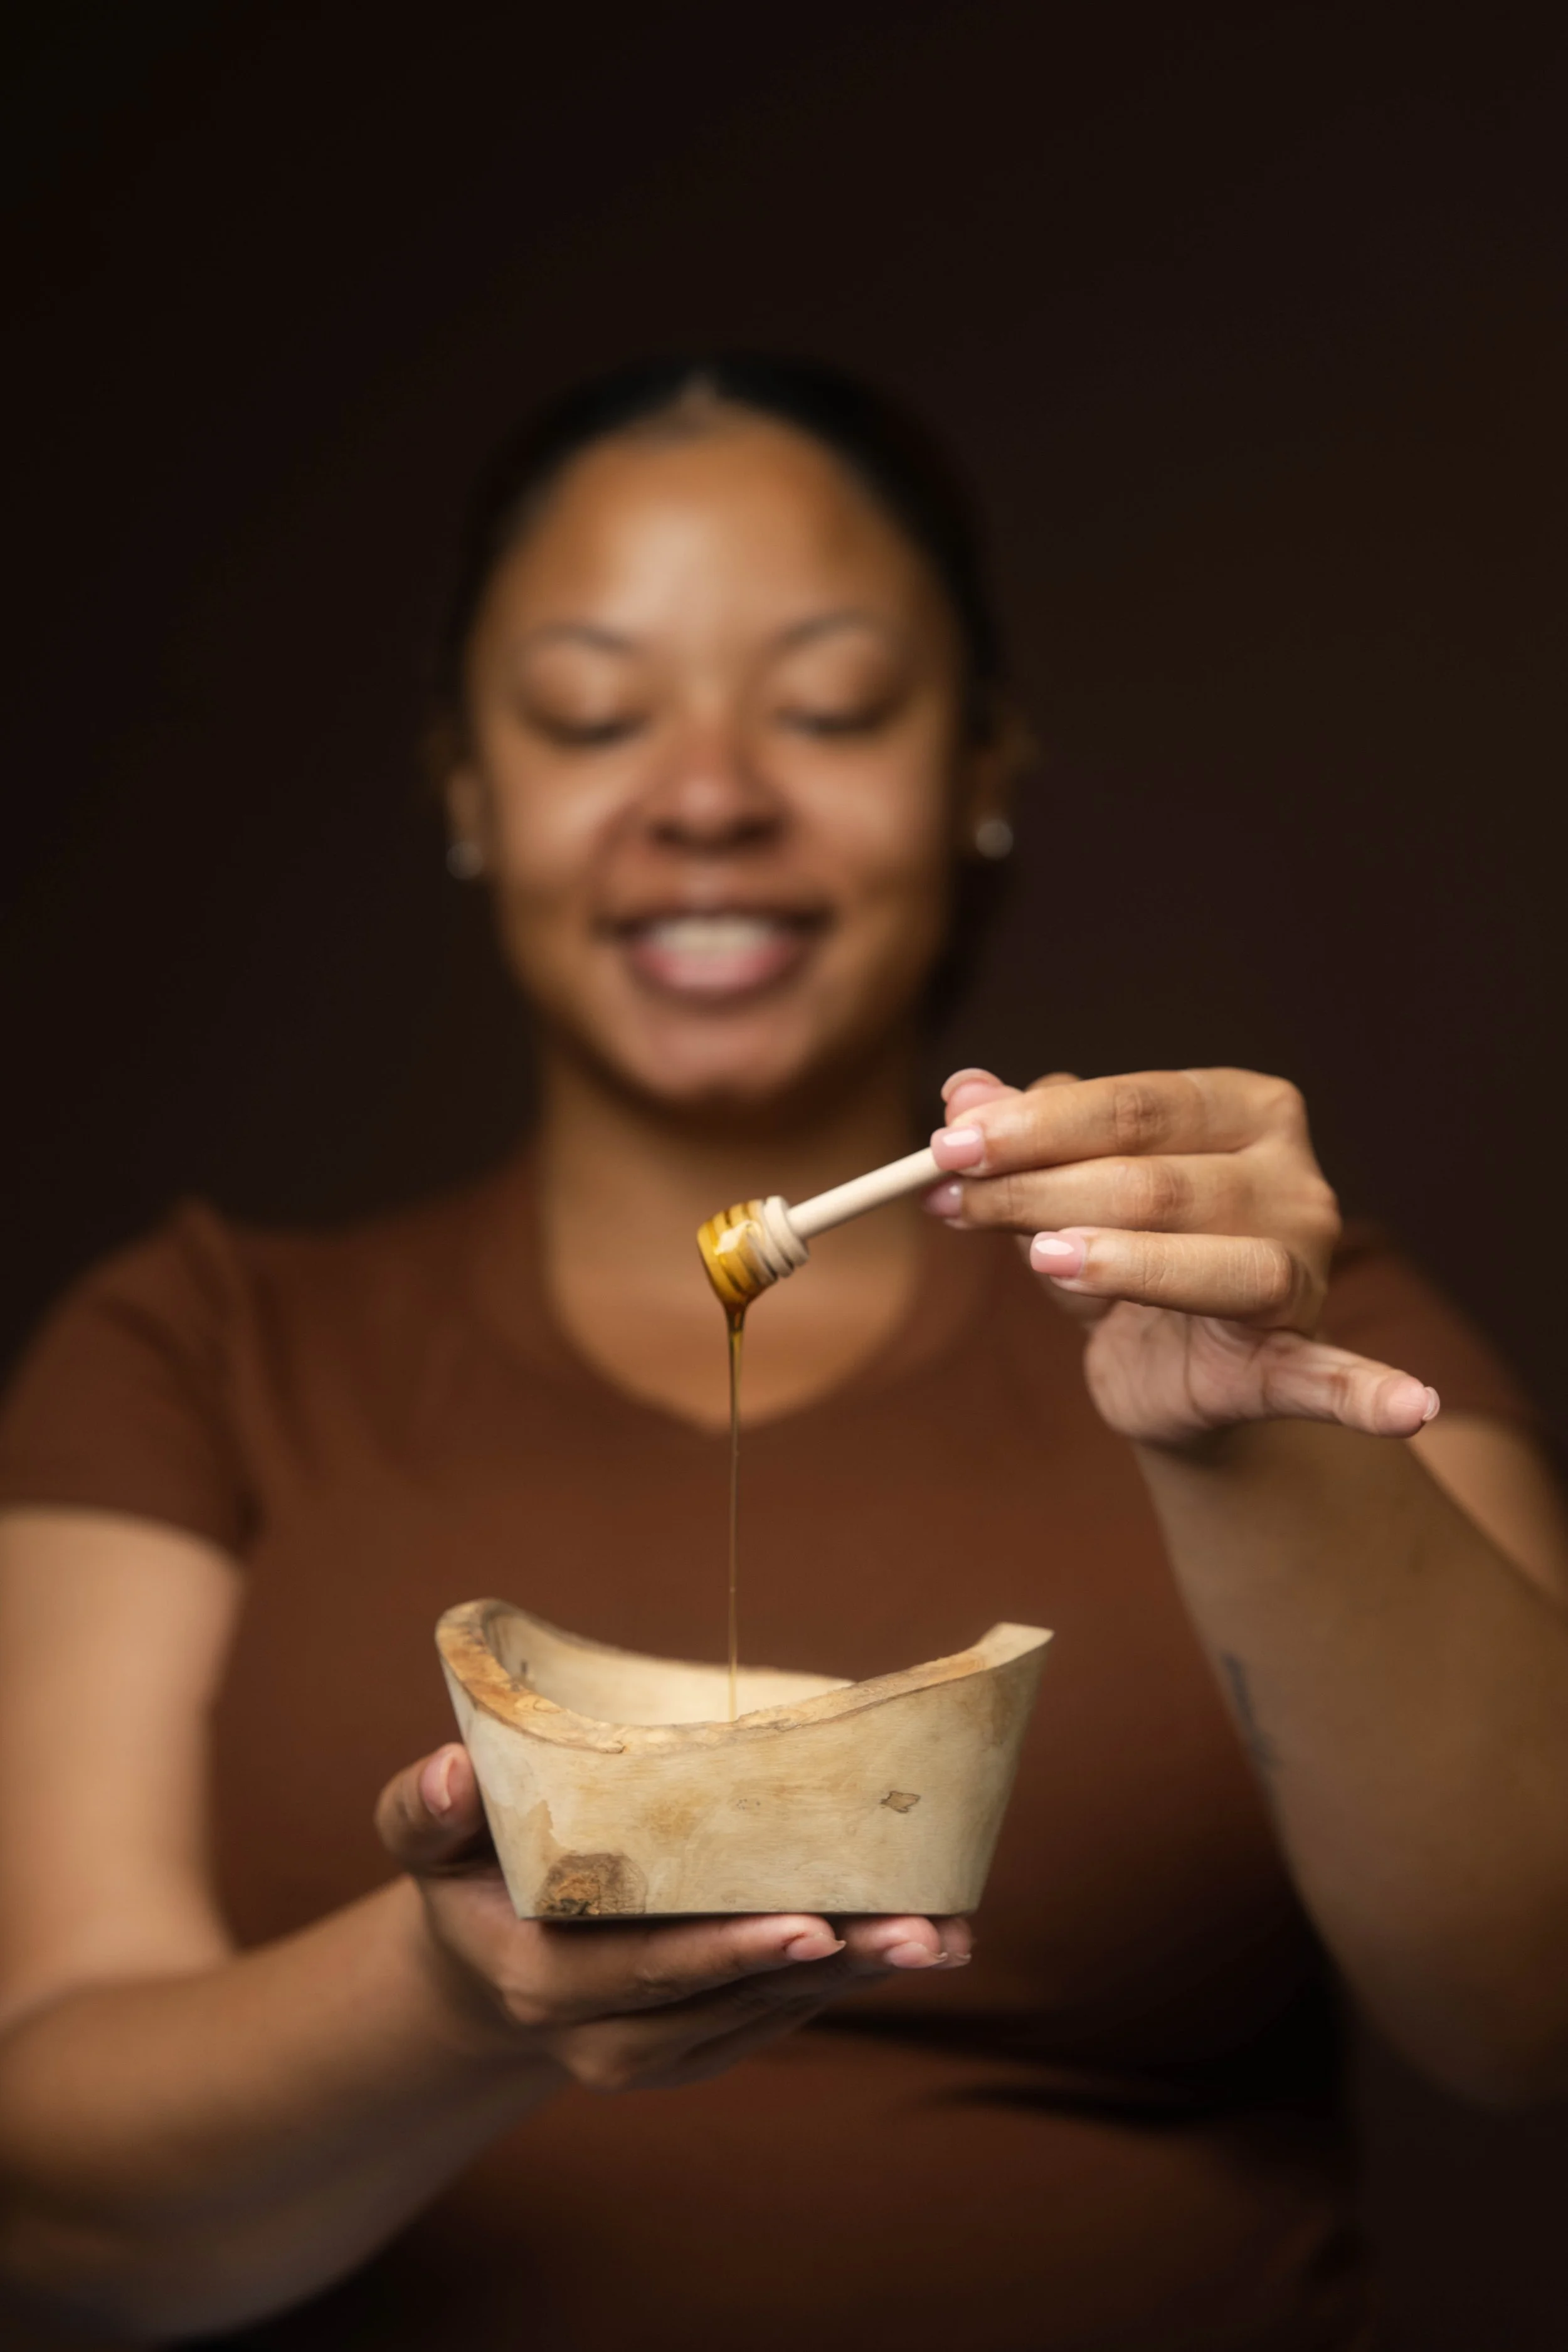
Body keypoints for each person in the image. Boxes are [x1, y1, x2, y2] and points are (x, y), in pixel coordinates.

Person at [1, 355, 1565, 2352]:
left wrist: (1247, 1433)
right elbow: (48, 2217)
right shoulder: (195, 1349)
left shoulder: (1281, 1301)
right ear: (470, 792)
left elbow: (1527, 2009)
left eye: (828, 705)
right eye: (589, 712)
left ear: (983, 765)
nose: (711, 790)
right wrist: (458, 1991)